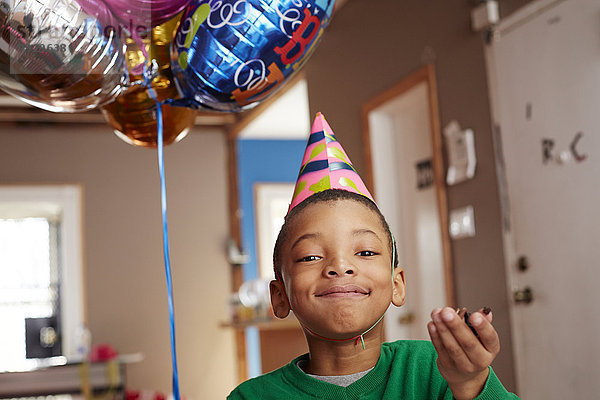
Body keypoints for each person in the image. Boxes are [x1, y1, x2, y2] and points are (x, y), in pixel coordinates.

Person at [227, 113, 519, 400]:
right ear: (279, 296)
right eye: (310, 257)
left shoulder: (438, 370)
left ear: (397, 284)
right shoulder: (252, 396)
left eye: (365, 252)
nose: (340, 266)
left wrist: (470, 384)